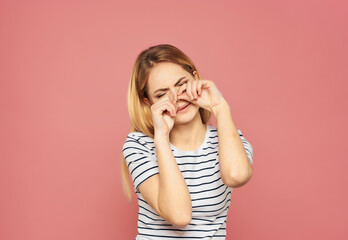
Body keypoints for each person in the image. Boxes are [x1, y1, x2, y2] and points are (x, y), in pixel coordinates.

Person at [121, 44, 254, 239]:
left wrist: (220, 107)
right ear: (148, 102)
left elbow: (236, 176)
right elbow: (179, 215)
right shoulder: (139, 145)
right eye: (162, 94)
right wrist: (161, 138)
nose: (177, 98)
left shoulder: (229, 139)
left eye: (182, 83)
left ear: (196, 77)